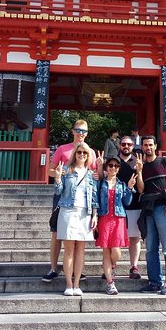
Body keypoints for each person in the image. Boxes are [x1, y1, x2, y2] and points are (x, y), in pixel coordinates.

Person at [43, 119, 97, 283]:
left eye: (84, 131)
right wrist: (59, 174)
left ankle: (76, 271)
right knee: (56, 232)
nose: (81, 134)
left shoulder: (90, 152)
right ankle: (53, 268)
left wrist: (99, 172)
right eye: (78, 130)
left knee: (79, 235)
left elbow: (93, 175)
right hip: (62, 195)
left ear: (87, 134)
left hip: (82, 199)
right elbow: (50, 170)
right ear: (72, 131)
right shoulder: (62, 149)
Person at [52, 142, 98, 296]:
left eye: (85, 153)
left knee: (81, 250)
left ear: (88, 156)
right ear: (75, 154)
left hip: (85, 213)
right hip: (68, 211)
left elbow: (94, 197)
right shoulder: (66, 170)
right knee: (69, 249)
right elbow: (58, 191)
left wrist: (95, 215)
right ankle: (68, 284)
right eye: (79, 153)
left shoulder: (91, 174)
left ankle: (77, 284)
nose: (82, 155)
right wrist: (58, 178)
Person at [137, 136, 166, 295]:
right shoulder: (142, 166)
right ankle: (155, 282)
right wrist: (139, 172)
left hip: (163, 207)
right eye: (145, 145)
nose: (148, 147)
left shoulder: (164, 162)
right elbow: (141, 189)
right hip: (149, 208)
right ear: (142, 147)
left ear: (155, 146)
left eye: (150, 145)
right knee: (150, 249)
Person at [95, 156, 137, 295]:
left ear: (118, 169)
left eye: (116, 166)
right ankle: (110, 283)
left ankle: (112, 265)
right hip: (104, 219)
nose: (113, 168)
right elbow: (95, 201)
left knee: (116, 251)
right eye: (111, 165)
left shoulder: (122, 184)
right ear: (107, 168)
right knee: (106, 251)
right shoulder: (100, 184)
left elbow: (128, 202)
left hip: (119, 219)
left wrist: (130, 188)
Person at [116, 135, 144, 279]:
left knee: (134, 238)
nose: (126, 146)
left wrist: (139, 172)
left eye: (129, 144)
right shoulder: (113, 161)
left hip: (135, 204)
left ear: (133, 146)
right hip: (116, 206)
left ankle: (134, 266)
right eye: (123, 144)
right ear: (119, 145)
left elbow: (141, 188)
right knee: (115, 239)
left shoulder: (138, 162)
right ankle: (111, 266)